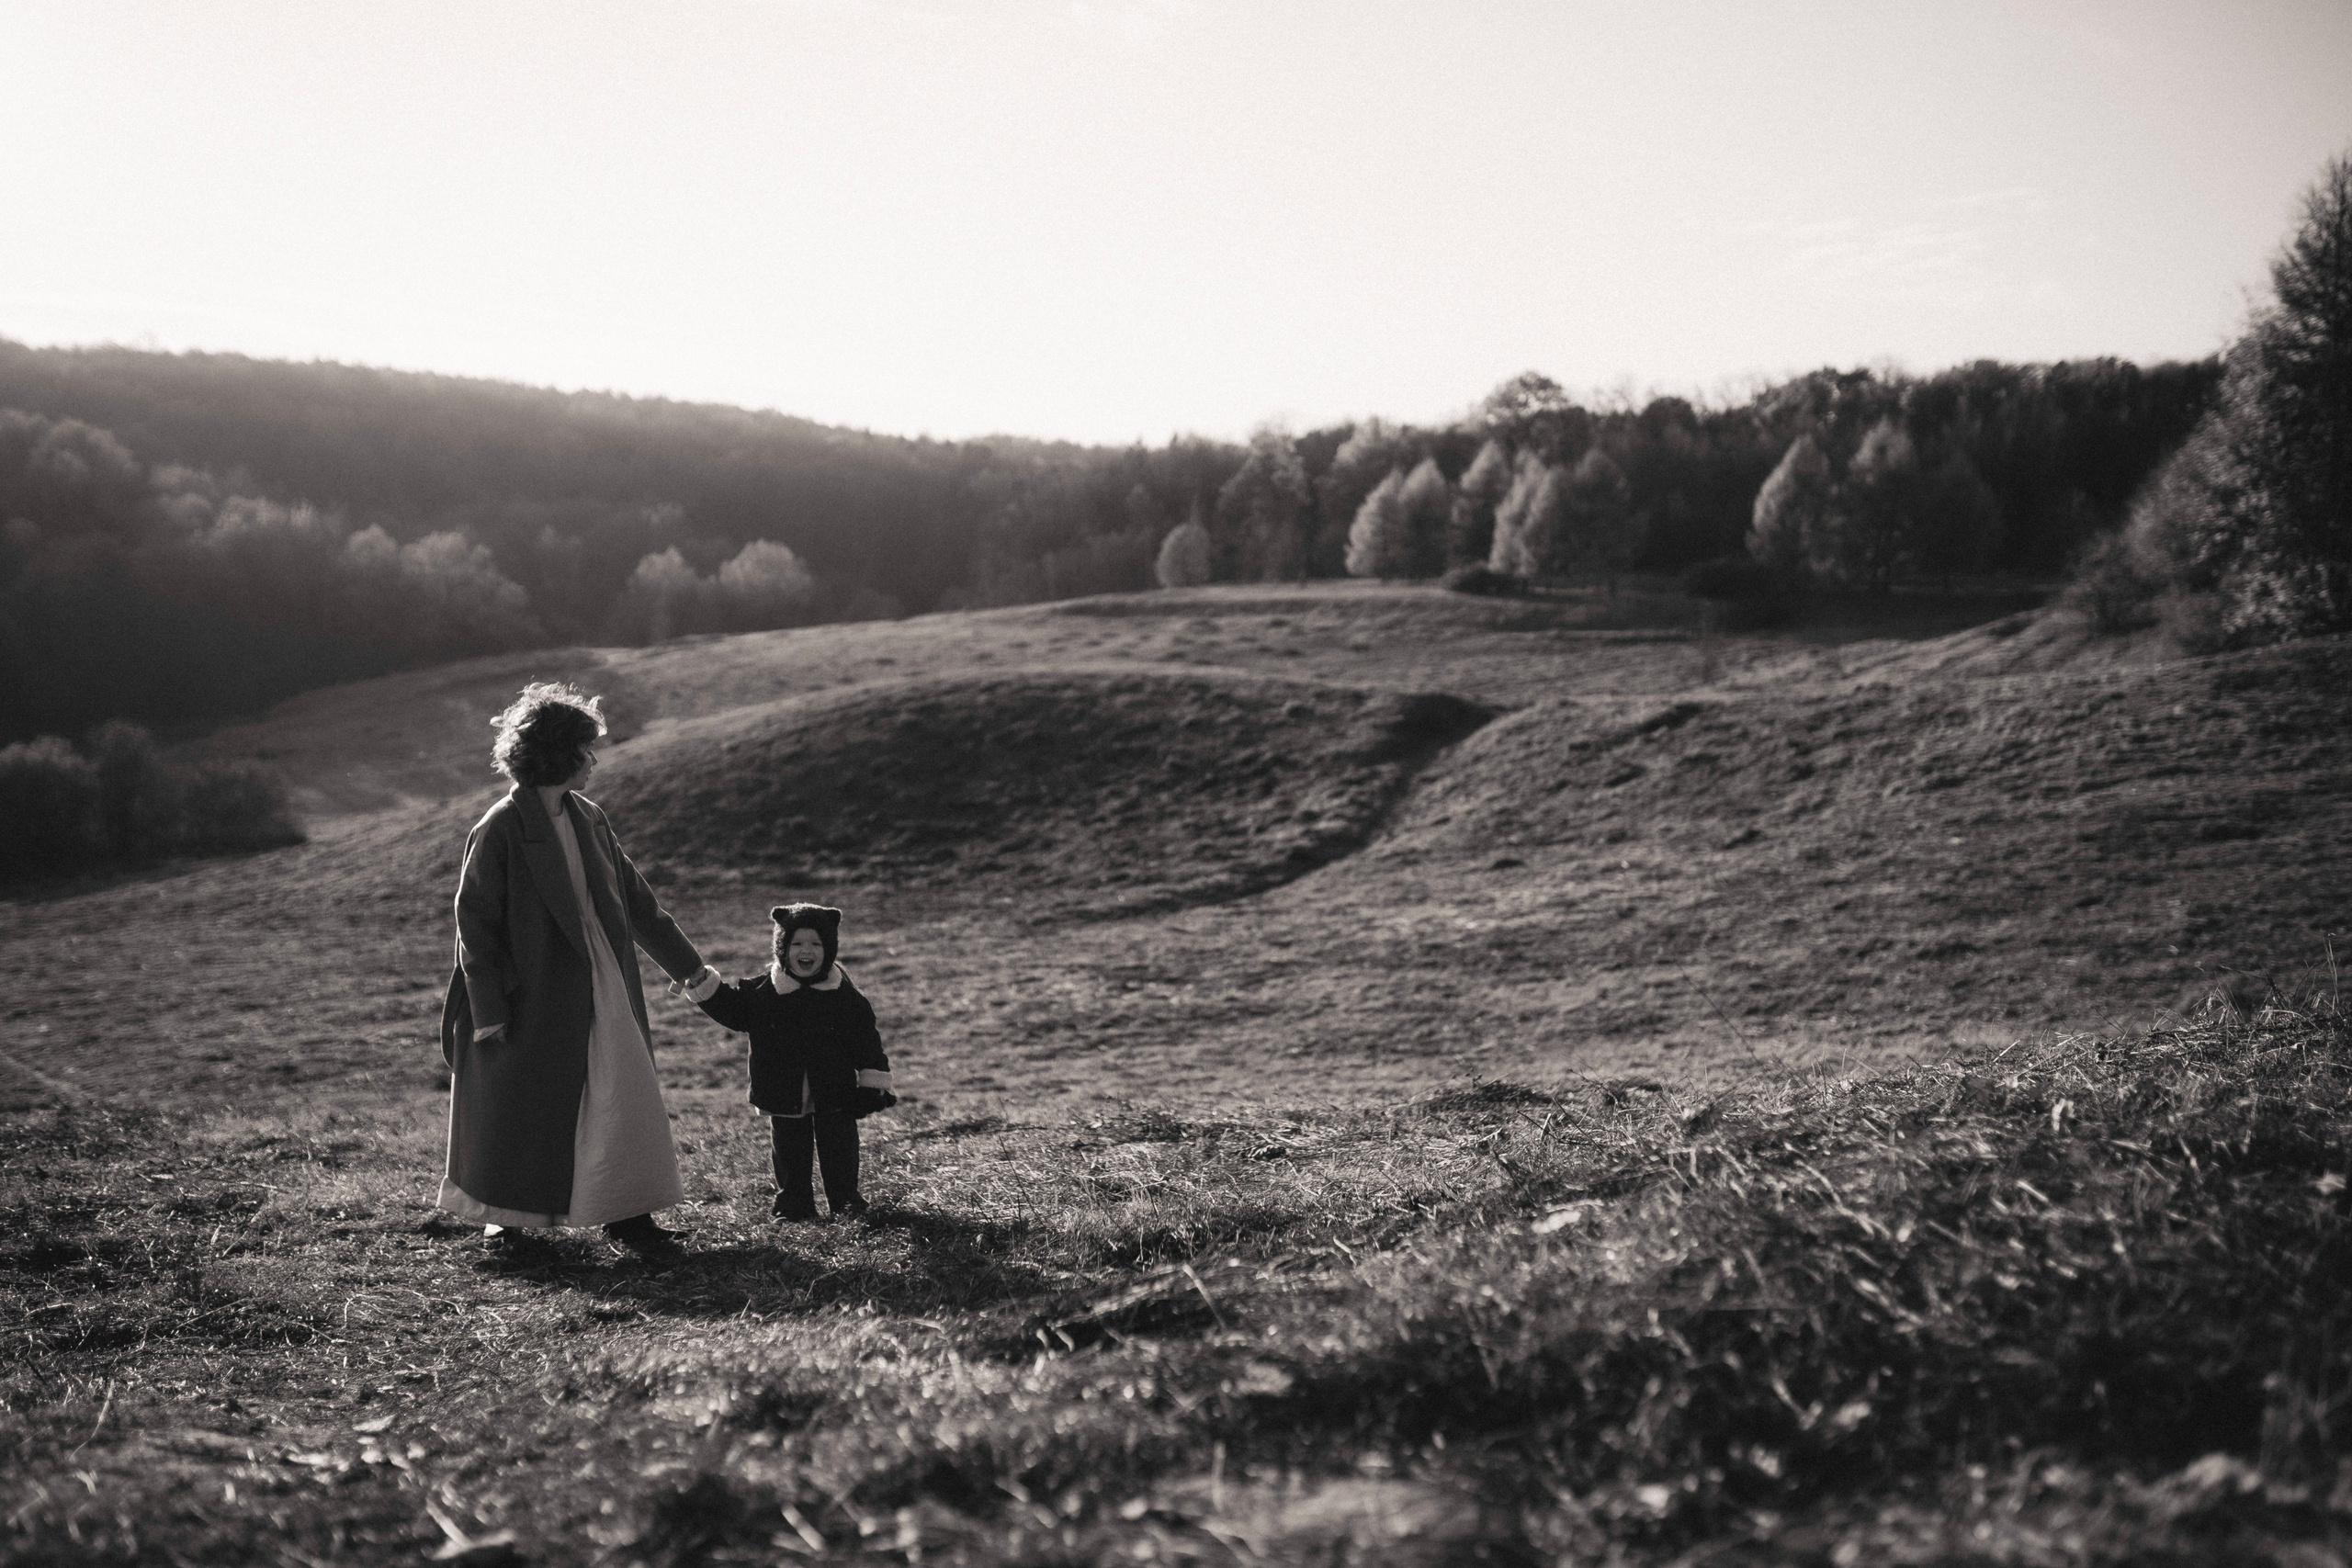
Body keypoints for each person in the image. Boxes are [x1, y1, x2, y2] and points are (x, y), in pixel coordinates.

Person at [438, 682, 707, 1258]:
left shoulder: (590, 818)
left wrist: (694, 974)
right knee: (522, 1105)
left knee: (623, 1090)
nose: (594, 761)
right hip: (532, 990)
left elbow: (639, 905)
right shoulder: (500, 827)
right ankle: (504, 1219)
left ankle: (629, 1215)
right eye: (586, 750)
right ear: (560, 754)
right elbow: (475, 926)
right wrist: (489, 1010)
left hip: (604, 979)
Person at [681, 903, 895, 1221]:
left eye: (816, 944)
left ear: (830, 947)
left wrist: (872, 1083)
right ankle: (793, 1207)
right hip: (782, 1090)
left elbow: (866, 1040)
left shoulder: (846, 997)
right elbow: (732, 1010)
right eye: (796, 943)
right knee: (790, 1150)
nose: (806, 951)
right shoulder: (763, 993)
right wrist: (702, 982)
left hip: (835, 1091)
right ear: (782, 947)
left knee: (840, 1147)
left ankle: (846, 1202)